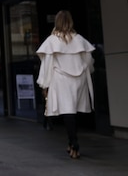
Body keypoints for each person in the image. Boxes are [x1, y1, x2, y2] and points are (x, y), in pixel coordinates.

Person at [36, 10, 95, 159]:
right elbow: (89, 62)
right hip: (79, 78)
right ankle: (72, 143)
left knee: (68, 111)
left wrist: (44, 85)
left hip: (61, 79)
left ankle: (73, 142)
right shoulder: (80, 39)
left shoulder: (52, 41)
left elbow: (47, 65)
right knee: (75, 110)